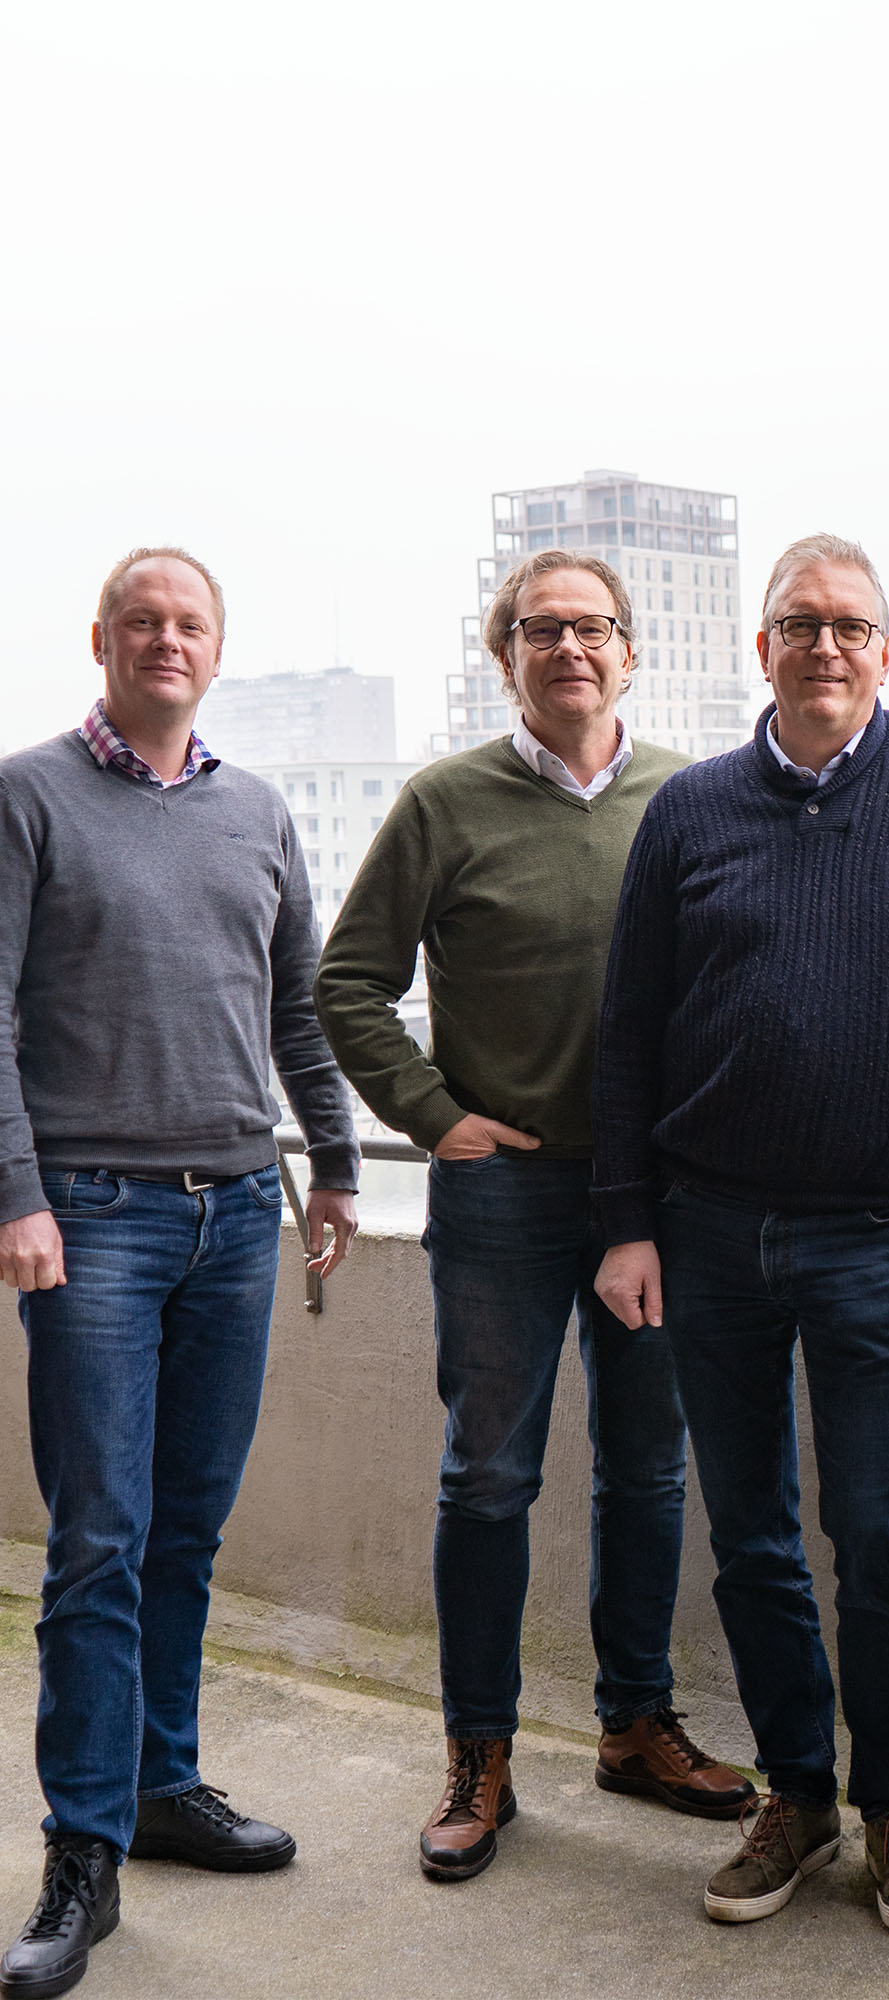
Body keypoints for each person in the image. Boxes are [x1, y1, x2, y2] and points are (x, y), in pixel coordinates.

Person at [592, 532, 889, 1937]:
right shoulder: (692, 811)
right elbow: (629, 1033)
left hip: (874, 1231)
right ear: (764, 647)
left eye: (851, 625)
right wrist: (627, 1225)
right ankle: (802, 1789)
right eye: (800, 624)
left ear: (887, 651)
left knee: (879, 1529)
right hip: (707, 1229)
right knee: (751, 1536)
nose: (827, 646)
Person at [315, 548, 750, 1885]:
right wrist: (434, 1115)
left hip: (658, 1197)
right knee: (489, 1477)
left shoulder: (692, 796)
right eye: (539, 629)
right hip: (502, 1193)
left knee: (649, 1467)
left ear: (632, 652)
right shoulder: (444, 803)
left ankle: (633, 1725)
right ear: (502, 655)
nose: (568, 648)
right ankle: (480, 1754)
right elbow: (350, 981)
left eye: (592, 629)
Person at [0, 548, 359, 1998]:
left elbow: (298, 1006)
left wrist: (333, 1160)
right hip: (90, 1216)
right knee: (100, 1537)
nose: (165, 640)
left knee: (189, 1532)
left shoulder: (257, 810)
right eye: (140, 620)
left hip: (234, 1219)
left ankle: (161, 1786)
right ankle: (82, 1852)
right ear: (102, 641)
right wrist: (17, 1194)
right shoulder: (26, 795)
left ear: (217, 649)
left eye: (188, 623)